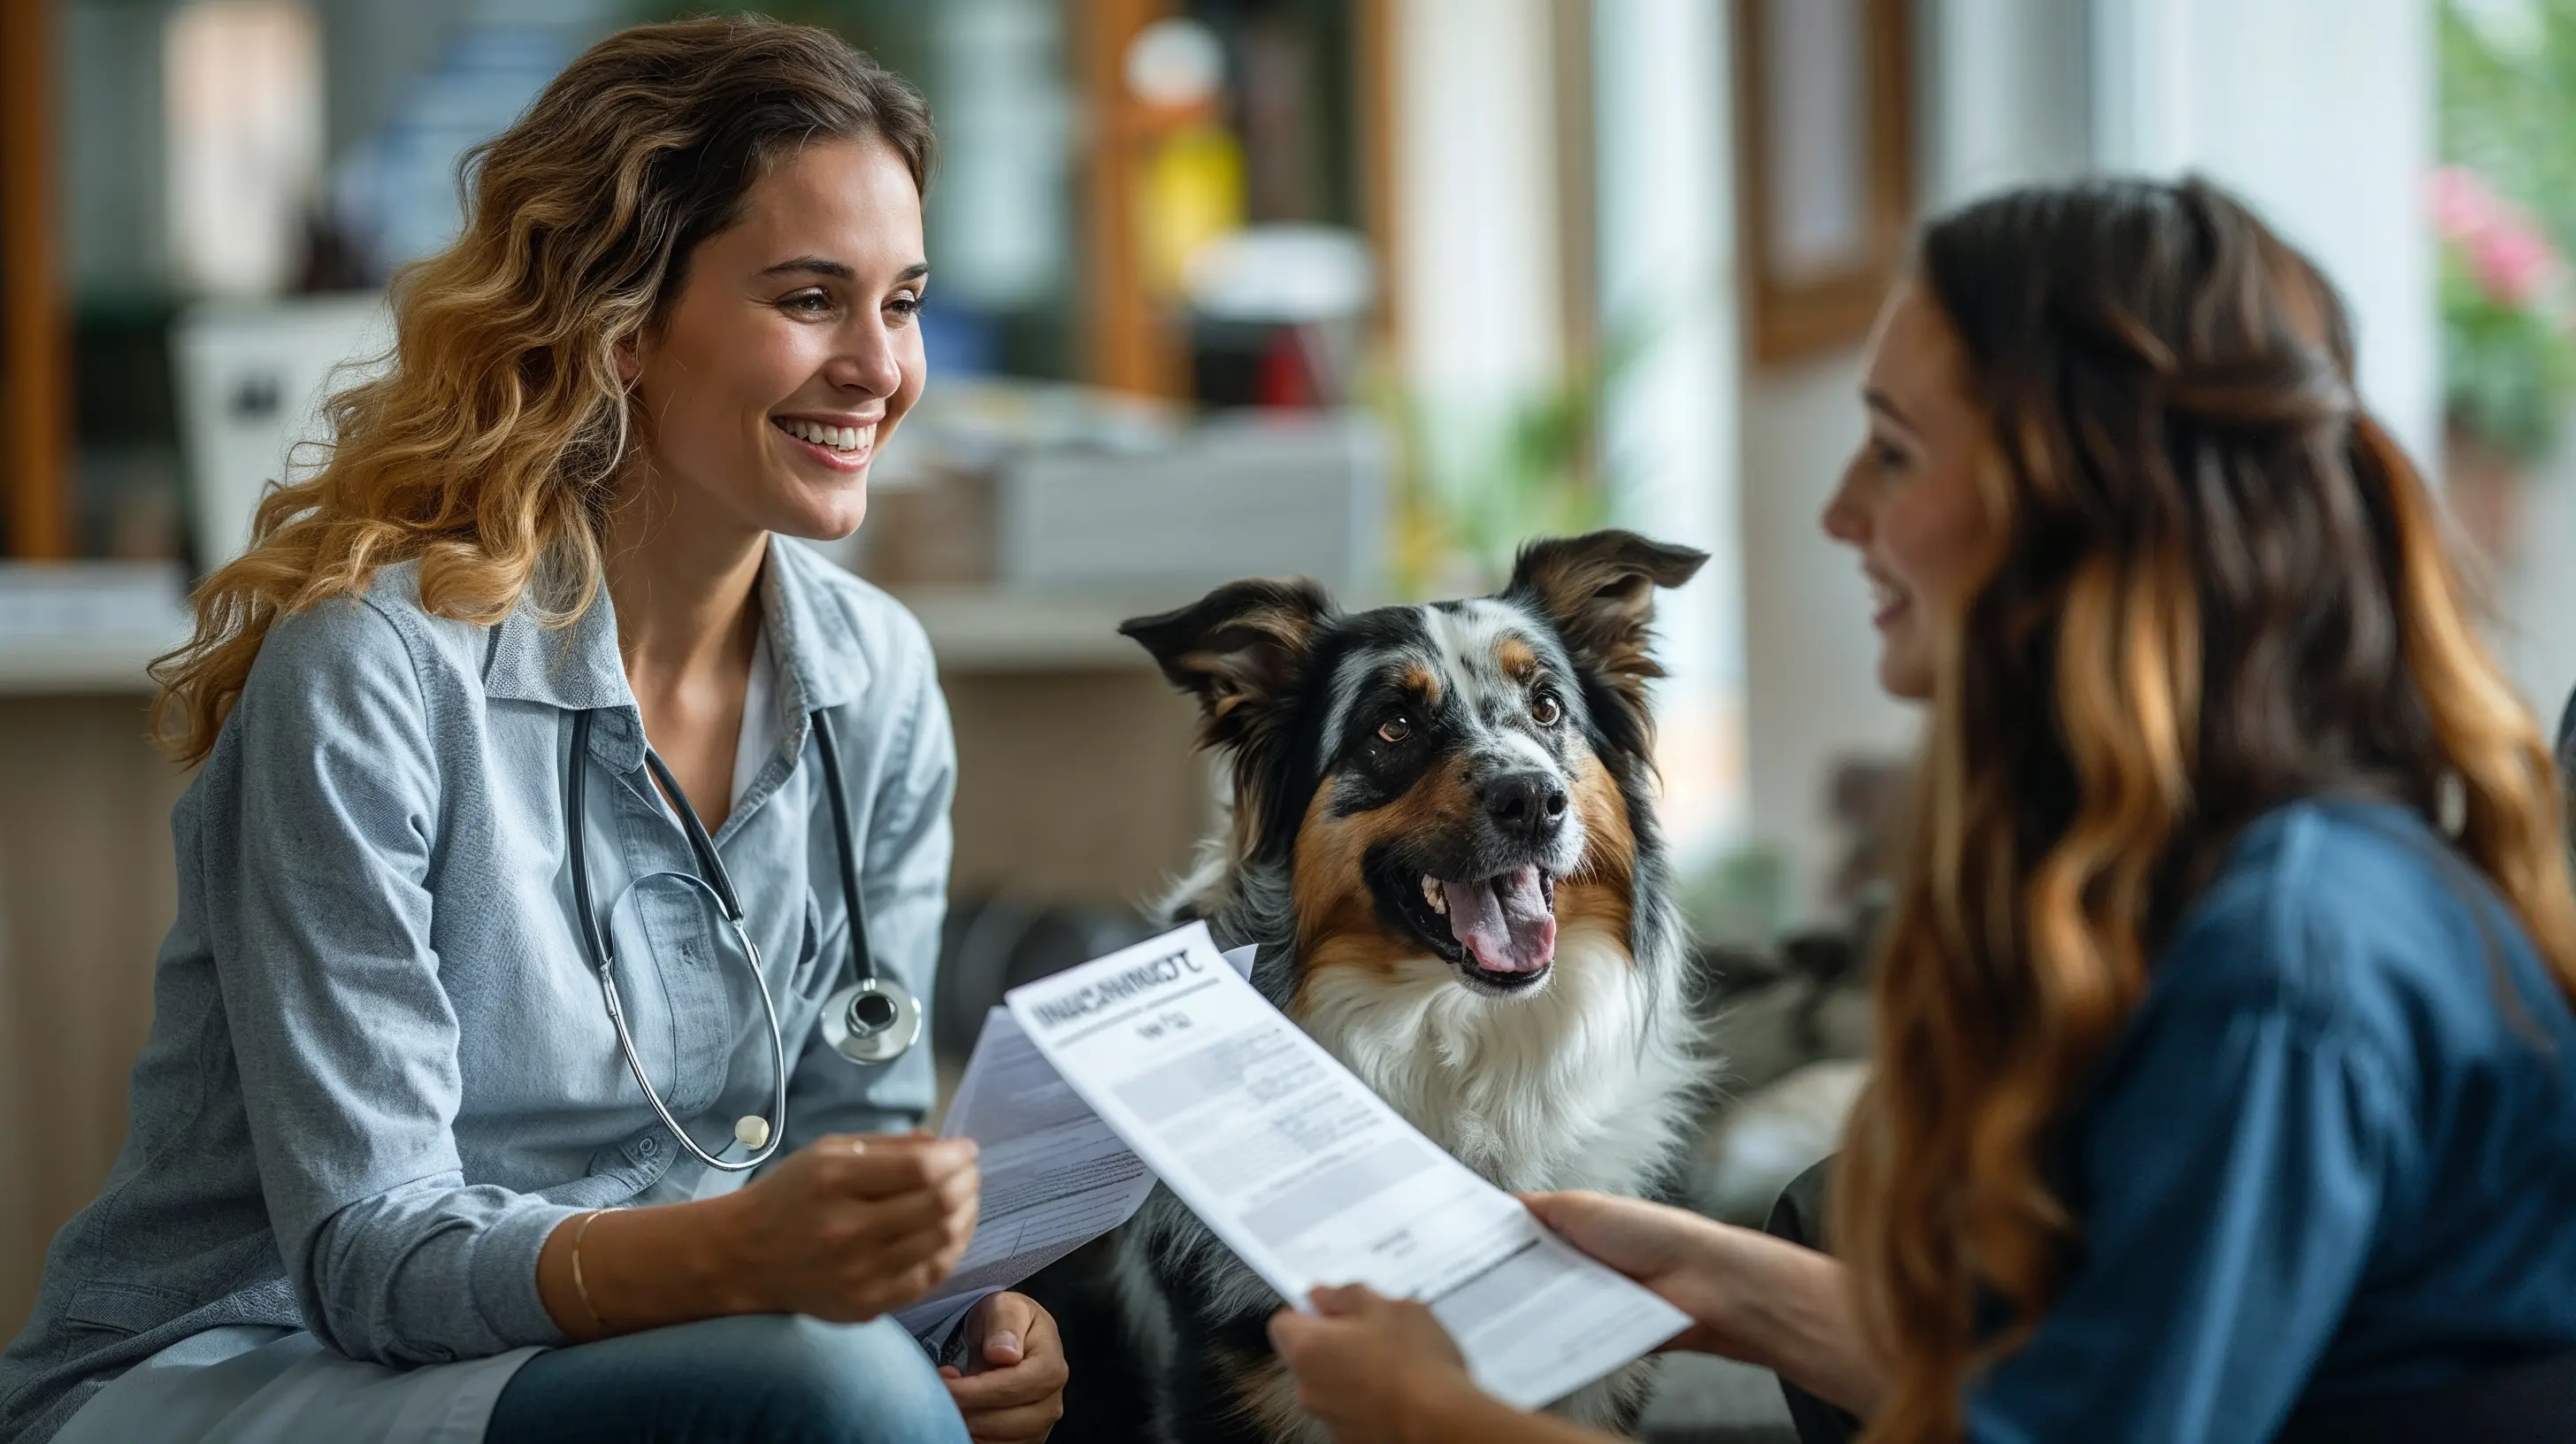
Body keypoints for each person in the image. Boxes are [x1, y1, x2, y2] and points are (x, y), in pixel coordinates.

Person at [1264, 176, 2576, 1443]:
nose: (1840, 510)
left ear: (2079, 501)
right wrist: (1720, 1282)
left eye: (1893, 450)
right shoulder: (2225, 879)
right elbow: (2080, 1390)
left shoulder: (2282, 963)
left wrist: (1434, 1418)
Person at [0, 19, 1067, 1444]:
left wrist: (945, 1304)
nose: (880, 368)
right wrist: (757, 1266)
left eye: (905, 301)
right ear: (622, 328)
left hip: (657, 1344)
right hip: (241, 1362)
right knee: (827, 1391)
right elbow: (364, 1254)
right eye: (813, 298)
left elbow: (845, 1148)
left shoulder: (873, 680)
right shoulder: (371, 675)